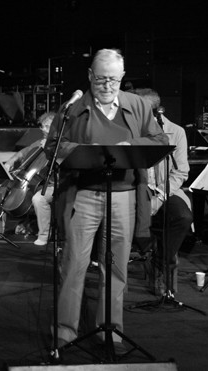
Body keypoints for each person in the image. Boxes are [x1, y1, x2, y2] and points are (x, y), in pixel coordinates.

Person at [45, 49, 168, 352]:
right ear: (90, 75)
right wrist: (81, 152)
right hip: (84, 194)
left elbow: (159, 140)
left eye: (113, 80)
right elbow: (52, 146)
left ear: (122, 77)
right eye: (101, 79)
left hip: (123, 197)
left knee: (115, 269)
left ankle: (110, 332)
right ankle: (65, 332)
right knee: (74, 264)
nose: (107, 85)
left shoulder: (138, 105)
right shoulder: (73, 107)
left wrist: (130, 145)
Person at [133, 88, 193, 296]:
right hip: (136, 188)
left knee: (183, 217)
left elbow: (180, 171)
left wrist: (159, 197)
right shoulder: (128, 130)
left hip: (165, 189)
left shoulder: (176, 132)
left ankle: (161, 263)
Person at [0, 112, 56, 245]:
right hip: (32, 181)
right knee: (0, 190)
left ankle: (44, 235)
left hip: (49, 184)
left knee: (38, 199)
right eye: (43, 126)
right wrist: (10, 162)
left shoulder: (60, 144)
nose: (44, 130)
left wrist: (49, 149)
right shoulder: (38, 142)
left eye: (47, 127)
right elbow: (21, 153)